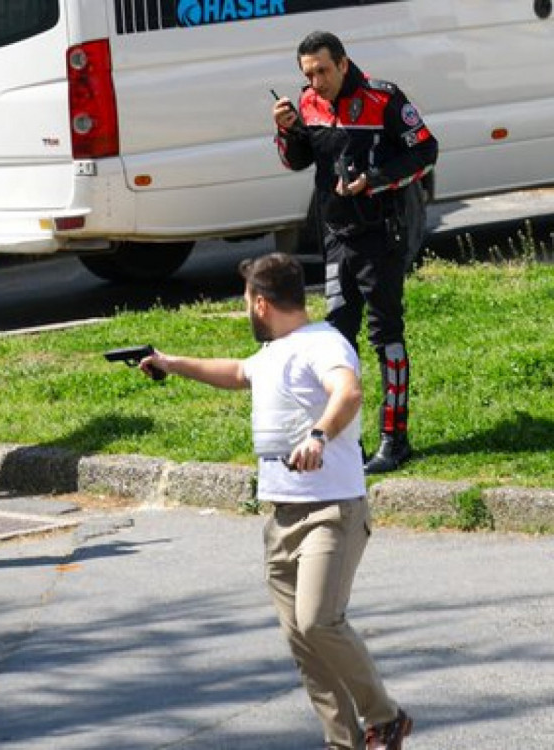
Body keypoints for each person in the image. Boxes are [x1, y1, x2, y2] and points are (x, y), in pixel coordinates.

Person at [138, 253, 411, 750]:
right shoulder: (273, 354)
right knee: (303, 641)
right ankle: (343, 742)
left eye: (247, 300)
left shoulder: (324, 343)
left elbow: (348, 392)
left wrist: (318, 435)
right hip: (281, 517)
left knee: (318, 621)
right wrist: (171, 363)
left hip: (331, 511)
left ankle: (385, 716)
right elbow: (236, 372)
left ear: (260, 303)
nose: (247, 309)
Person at [273, 30, 438, 474]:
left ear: (344, 64)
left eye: (323, 71)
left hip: (381, 234)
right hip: (335, 237)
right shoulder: (308, 101)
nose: (317, 82)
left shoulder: (383, 98)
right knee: (335, 339)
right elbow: (297, 160)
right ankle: (345, 441)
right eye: (309, 74)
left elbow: (426, 150)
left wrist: (375, 180)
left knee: (386, 336)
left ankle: (395, 440)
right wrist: (286, 131)